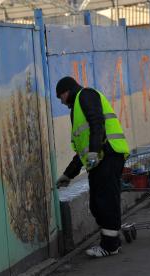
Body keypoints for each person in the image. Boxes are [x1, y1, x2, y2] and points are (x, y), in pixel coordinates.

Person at [55, 76, 130, 258]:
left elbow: (98, 122)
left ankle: (110, 246)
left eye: (61, 96)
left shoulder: (85, 95)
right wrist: (68, 174)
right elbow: (83, 149)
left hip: (108, 155)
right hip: (100, 159)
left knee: (105, 201)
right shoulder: (78, 108)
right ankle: (111, 242)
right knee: (98, 204)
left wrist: (95, 151)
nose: (61, 101)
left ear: (67, 90)